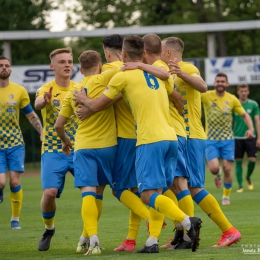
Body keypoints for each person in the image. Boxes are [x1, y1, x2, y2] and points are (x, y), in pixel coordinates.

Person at [73, 35, 202, 254]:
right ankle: (152, 242)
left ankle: (187, 222)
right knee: (161, 190)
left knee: (145, 194)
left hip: (148, 140)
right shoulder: (158, 71)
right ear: (143, 53)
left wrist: (82, 99)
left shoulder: (123, 76)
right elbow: (174, 93)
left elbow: (96, 105)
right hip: (170, 137)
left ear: (123, 55)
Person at [161, 37, 242, 247]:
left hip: (191, 136)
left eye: (162, 51)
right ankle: (182, 233)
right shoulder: (163, 70)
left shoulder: (188, 67)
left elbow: (203, 86)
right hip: (180, 137)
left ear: (169, 53)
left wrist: (181, 73)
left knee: (193, 187)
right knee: (173, 185)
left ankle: (228, 231)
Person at [55, 50, 121, 256]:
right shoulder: (105, 79)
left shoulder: (74, 91)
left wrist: (66, 142)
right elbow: (120, 88)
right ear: (100, 65)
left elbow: (59, 125)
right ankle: (84, 238)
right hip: (108, 146)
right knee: (98, 194)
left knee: (88, 193)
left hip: (83, 147)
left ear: (80, 69)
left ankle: (93, 240)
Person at [34, 47, 77, 251]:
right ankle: (49, 229)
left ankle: (91, 234)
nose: (67, 65)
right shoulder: (46, 89)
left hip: (80, 148)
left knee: (93, 191)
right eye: (62, 62)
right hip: (53, 148)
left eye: (69, 61)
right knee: (50, 193)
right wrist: (45, 100)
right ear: (52, 66)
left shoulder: (80, 87)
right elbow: (38, 104)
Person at [0, 55, 42, 229]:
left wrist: (42, 132)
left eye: (7, 65)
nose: (4, 68)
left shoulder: (19, 90)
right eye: (1, 65)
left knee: (14, 182)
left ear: (10, 69)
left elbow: (31, 115)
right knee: (1, 182)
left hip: (15, 142)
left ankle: (15, 218)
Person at [201, 73, 254, 205]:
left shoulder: (232, 99)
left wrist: (251, 129)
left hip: (227, 140)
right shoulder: (206, 95)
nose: (220, 83)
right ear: (214, 82)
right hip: (211, 139)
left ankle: (226, 196)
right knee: (213, 168)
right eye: (218, 81)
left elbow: (245, 115)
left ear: (227, 84)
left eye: (222, 81)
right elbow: (193, 98)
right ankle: (217, 173)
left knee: (228, 168)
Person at [233, 83, 260, 192]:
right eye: (241, 91)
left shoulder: (253, 104)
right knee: (238, 161)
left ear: (248, 92)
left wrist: (259, 137)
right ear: (238, 92)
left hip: (251, 137)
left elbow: (257, 121)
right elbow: (230, 120)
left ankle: (248, 177)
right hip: (237, 137)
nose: (243, 93)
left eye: (245, 91)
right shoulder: (234, 104)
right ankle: (240, 185)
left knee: (252, 160)